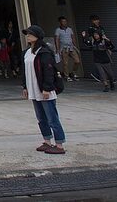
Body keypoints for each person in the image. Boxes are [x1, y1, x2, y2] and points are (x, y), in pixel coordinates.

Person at [21, 25, 67, 154]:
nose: (28, 36)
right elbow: (25, 72)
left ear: (37, 36)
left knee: (52, 118)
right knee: (41, 118)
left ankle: (59, 144)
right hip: (34, 90)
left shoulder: (44, 52)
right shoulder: (27, 52)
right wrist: (25, 86)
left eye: (30, 34)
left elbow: (49, 71)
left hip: (45, 90)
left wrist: (47, 88)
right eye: (27, 34)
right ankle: (47, 141)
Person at [54, 16, 80, 81]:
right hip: (64, 48)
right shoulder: (58, 30)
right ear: (60, 22)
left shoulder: (69, 29)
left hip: (71, 47)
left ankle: (73, 72)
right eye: (63, 21)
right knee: (65, 63)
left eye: (65, 21)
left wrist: (75, 46)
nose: (65, 23)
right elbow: (56, 39)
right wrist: (57, 49)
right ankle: (67, 76)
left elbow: (73, 37)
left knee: (77, 61)